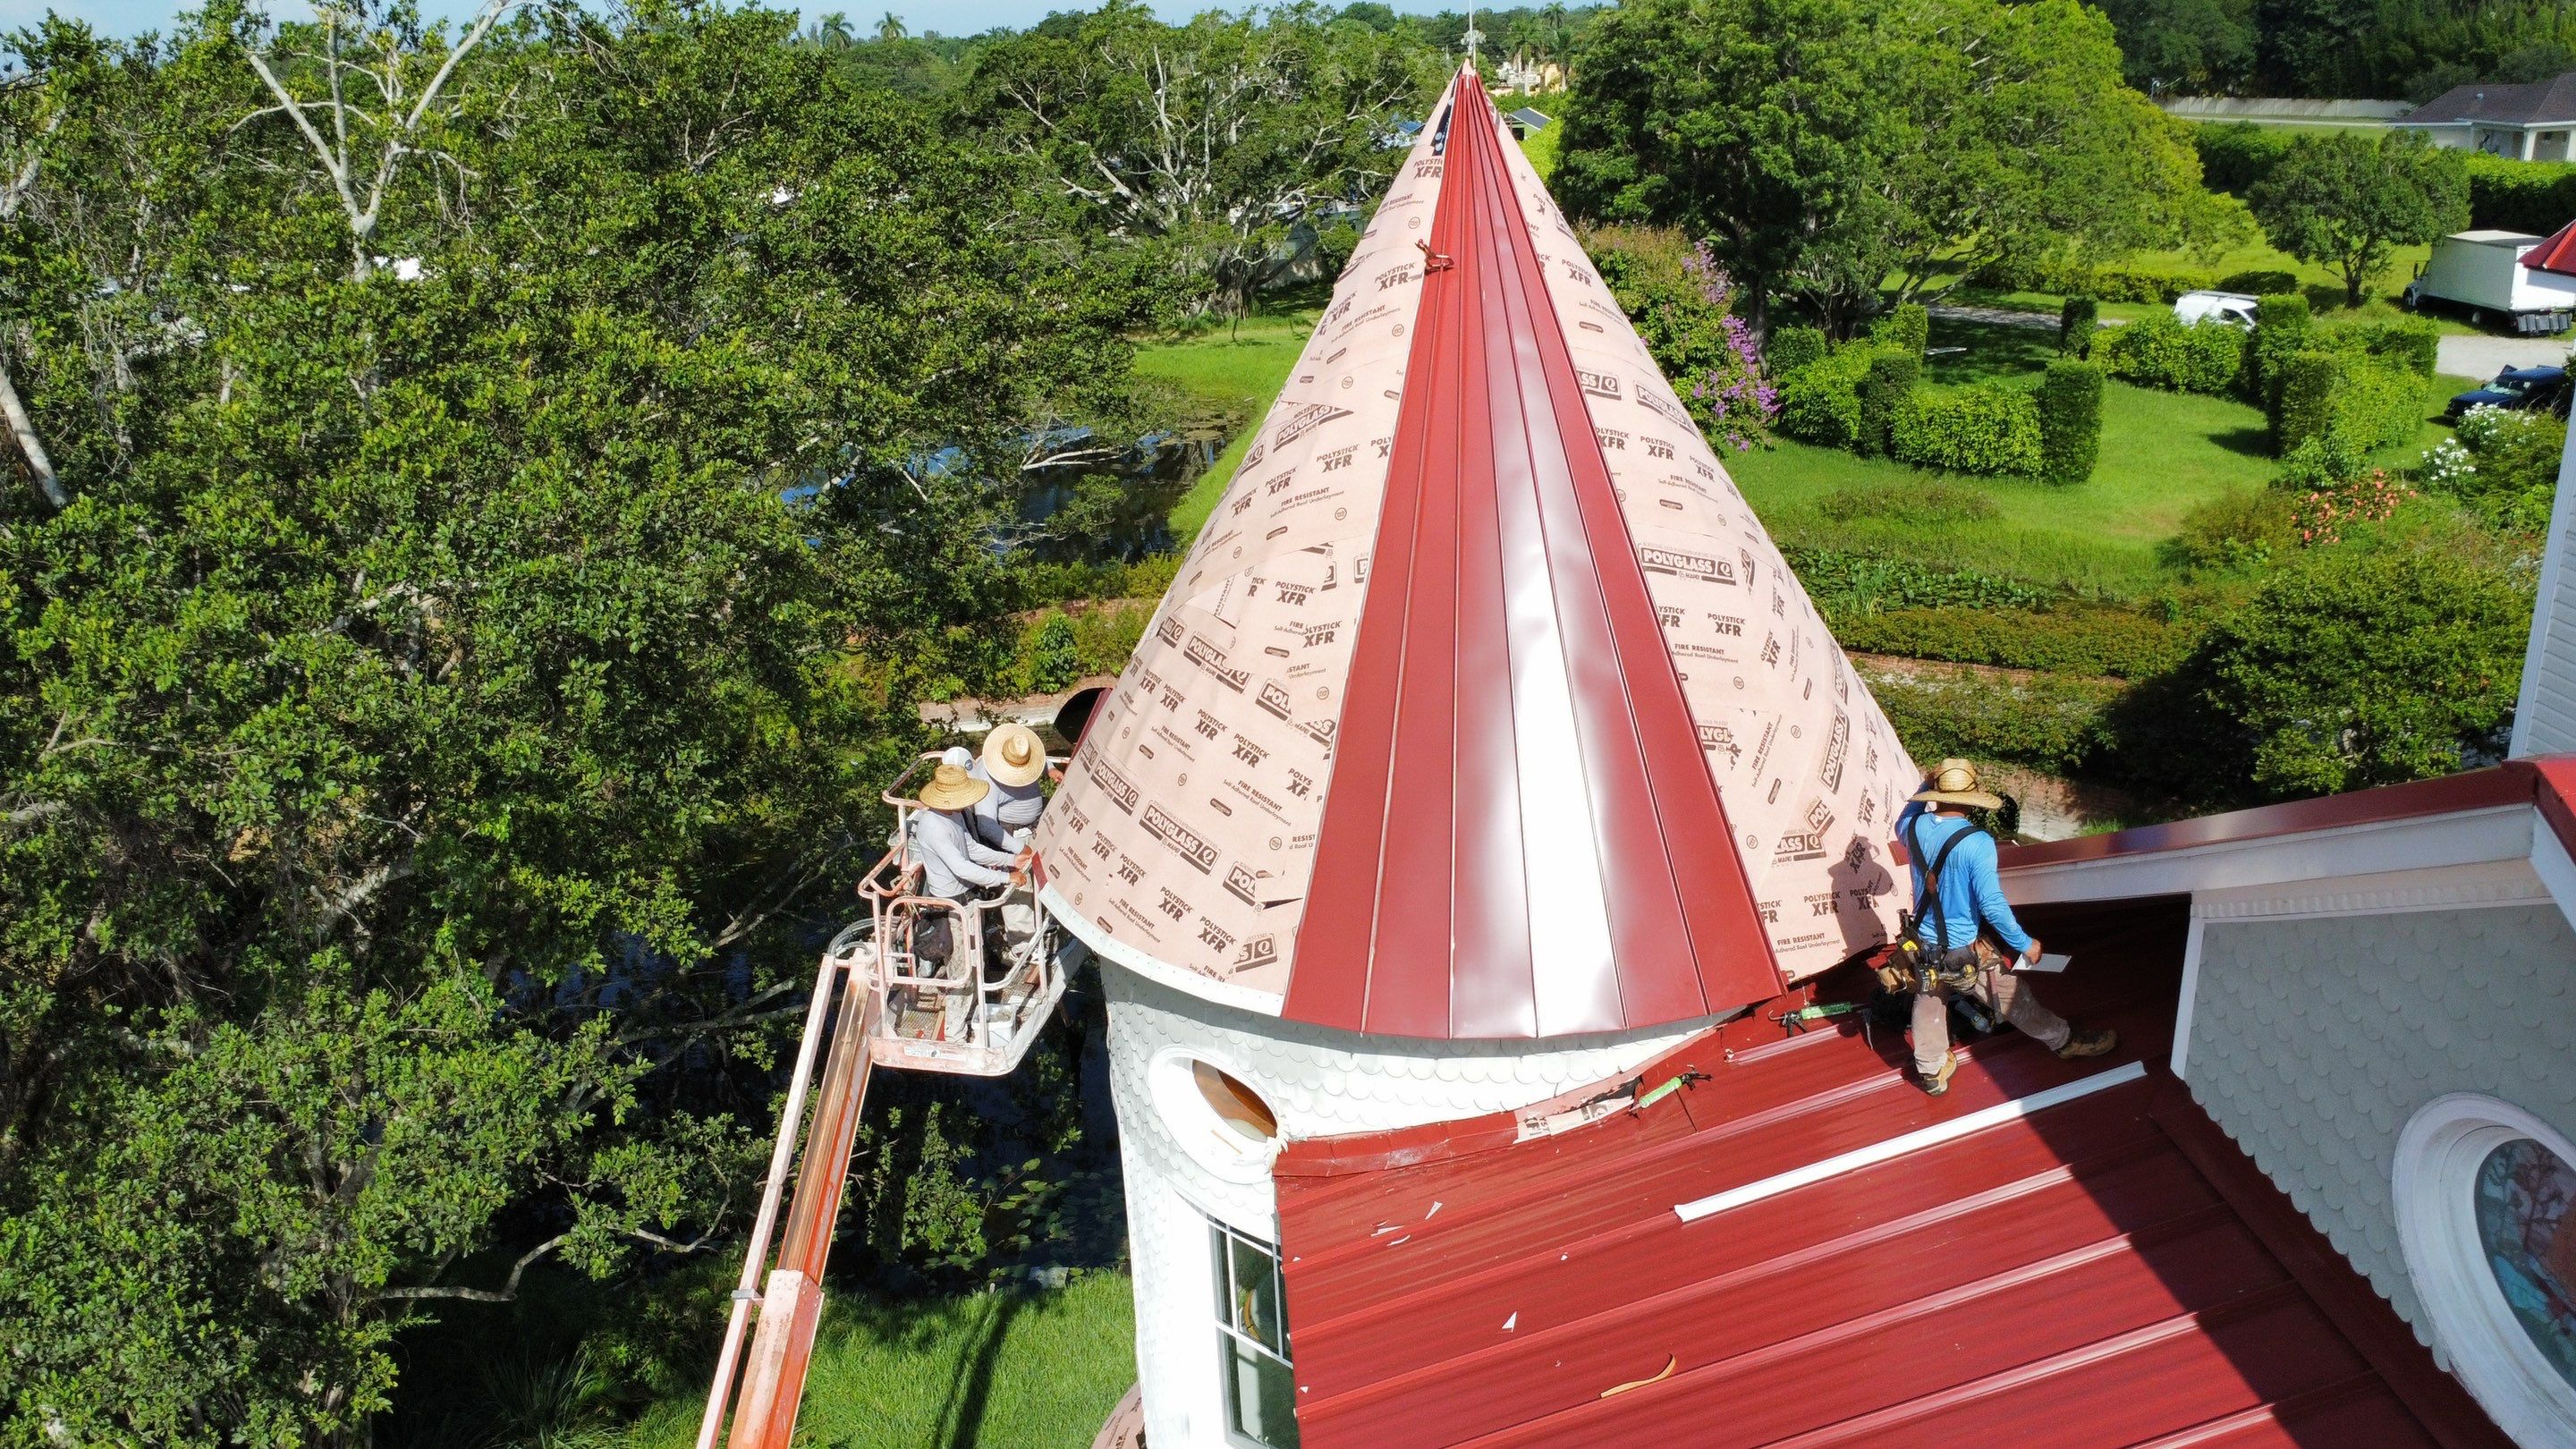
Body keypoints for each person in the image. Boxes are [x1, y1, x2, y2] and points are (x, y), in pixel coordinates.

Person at [1894, 758, 2115, 1096]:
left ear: (1935, 792)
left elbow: (1905, 814)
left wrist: (1926, 784)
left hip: (1923, 943)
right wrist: (2025, 943)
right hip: (1961, 949)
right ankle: (2064, 1041)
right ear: (1971, 798)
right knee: (2012, 997)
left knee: (1929, 997)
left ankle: (1931, 1070)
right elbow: (1992, 905)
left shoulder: (1913, 828)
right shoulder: (1977, 842)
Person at [910, 762, 1021, 971]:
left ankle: (980, 990)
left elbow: (970, 848)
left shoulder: (954, 814)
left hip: (966, 894)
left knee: (975, 951)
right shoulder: (933, 825)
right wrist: (1006, 878)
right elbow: (962, 867)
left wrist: (1012, 860)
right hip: (950, 902)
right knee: (961, 964)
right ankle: (960, 1002)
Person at [969, 723, 1052, 852]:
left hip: (1038, 823)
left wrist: (1050, 769)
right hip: (1012, 834)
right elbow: (986, 826)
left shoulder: (1022, 754)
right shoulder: (987, 781)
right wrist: (1019, 848)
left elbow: (1038, 759)